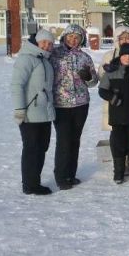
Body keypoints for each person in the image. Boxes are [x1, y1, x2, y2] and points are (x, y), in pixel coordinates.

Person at [50, 24, 99, 189]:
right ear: (64, 37)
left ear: (81, 39)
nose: (73, 39)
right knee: (64, 140)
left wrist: (89, 77)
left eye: (77, 37)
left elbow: (93, 82)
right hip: (60, 104)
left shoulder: (85, 57)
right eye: (70, 36)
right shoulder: (54, 54)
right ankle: (61, 177)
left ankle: (71, 174)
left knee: (75, 140)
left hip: (81, 104)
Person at [10, 29, 57, 195]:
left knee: (42, 147)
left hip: (44, 112)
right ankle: (30, 185)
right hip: (30, 113)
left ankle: (34, 180)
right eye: (44, 42)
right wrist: (20, 109)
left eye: (50, 43)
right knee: (31, 148)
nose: (47, 45)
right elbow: (17, 85)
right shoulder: (26, 59)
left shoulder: (45, 60)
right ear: (37, 42)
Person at [98, 43, 129, 184]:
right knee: (118, 143)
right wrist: (112, 98)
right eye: (125, 55)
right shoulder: (111, 72)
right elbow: (102, 90)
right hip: (117, 115)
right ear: (120, 56)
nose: (128, 58)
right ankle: (118, 172)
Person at [98, 26, 129, 132]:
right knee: (116, 132)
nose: (124, 40)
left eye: (127, 38)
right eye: (121, 38)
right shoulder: (109, 55)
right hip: (114, 101)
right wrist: (107, 71)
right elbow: (101, 78)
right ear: (117, 40)